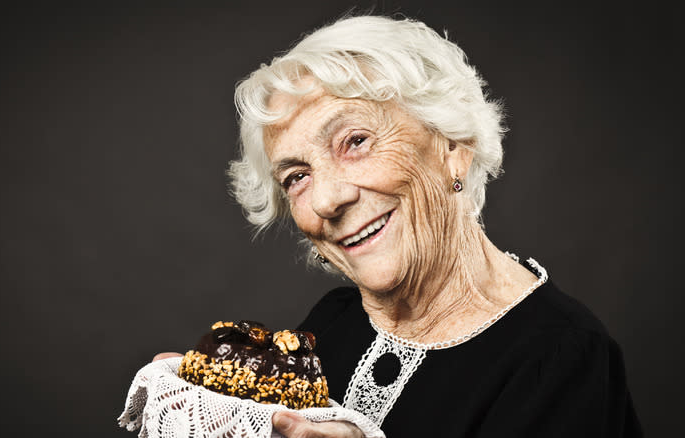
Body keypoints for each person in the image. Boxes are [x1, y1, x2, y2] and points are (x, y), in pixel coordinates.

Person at [154, 15, 642, 437]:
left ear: (453, 145)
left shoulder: (562, 358)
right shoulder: (334, 320)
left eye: (356, 140)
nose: (327, 200)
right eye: (297, 176)